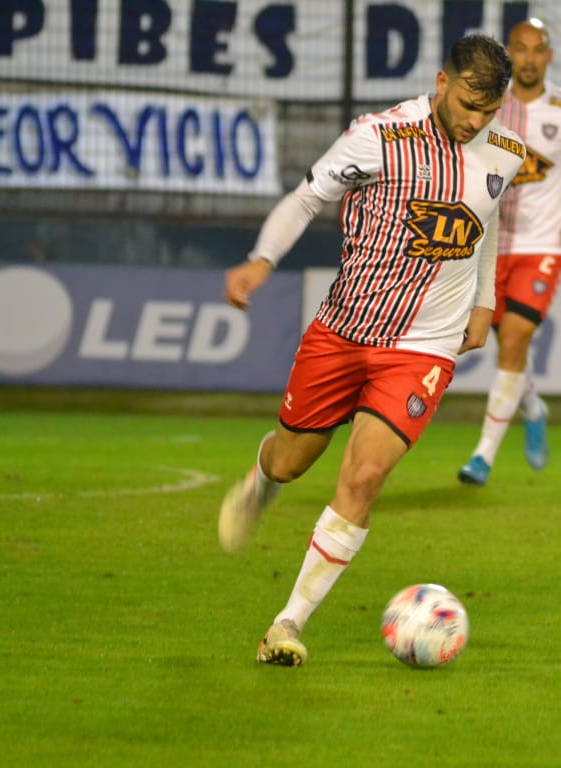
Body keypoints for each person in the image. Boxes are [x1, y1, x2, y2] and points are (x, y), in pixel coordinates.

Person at [217, 33, 524, 666]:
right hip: (344, 329)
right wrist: (260, 261)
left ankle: (287, 622)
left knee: (363, 477)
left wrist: (484, 300)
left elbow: (486, 222)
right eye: (468, 103)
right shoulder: (379, 138)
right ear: (442, 82)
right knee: (292, 460)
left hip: (424, 347)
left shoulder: (505, 153)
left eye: (489, 111)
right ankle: (264, 478)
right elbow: (307, 197)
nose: (475, 121)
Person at [457, 18, 561, 486]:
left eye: (535, 50)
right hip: (488, 247)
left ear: (548, 56)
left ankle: (482, 455)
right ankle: (532, 405)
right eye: (518, 49)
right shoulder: (488, 108)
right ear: (509, 55)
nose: (526, 58)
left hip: (544, 245)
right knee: (506, 346)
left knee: (517, 337)